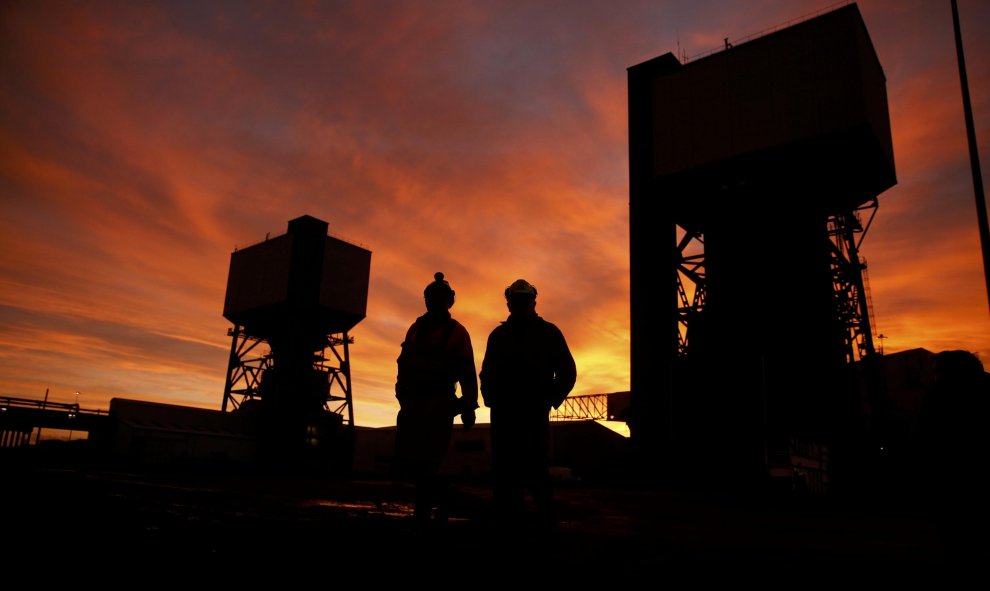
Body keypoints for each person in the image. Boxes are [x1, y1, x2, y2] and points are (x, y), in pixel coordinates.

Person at [480, 278, 576, 530]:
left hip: (533, 413)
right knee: (505, 470)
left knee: (535, 468)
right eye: (516, 300)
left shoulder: (549, 333)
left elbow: (567, 371)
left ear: (533, 301)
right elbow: (487, 372)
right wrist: (492, 399)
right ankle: (508, 522)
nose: (520, 304)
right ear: (509, 303)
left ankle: (544, 524)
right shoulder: (498, 336)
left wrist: (550, 399)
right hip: (505, 413)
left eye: (525, 300)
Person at [394, 272, 478, 525]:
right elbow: (403, 364)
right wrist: (401, 395)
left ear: (449, 301)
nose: (435, 301)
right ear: (426, 300)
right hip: (413, 405)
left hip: (440, 405)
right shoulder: (415, 329)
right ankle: (438, 501)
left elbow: (467, 370)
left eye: (441, 297)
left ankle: (427, 511)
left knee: (430, 462)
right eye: (431, 296)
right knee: (412, 462)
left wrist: (468, 406)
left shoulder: (457, 333)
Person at [917, 349, 990, 565]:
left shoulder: (939, 397)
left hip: (953, 480)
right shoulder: (981, 392)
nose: (935, 377)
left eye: (939, 372)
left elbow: (927, 438)